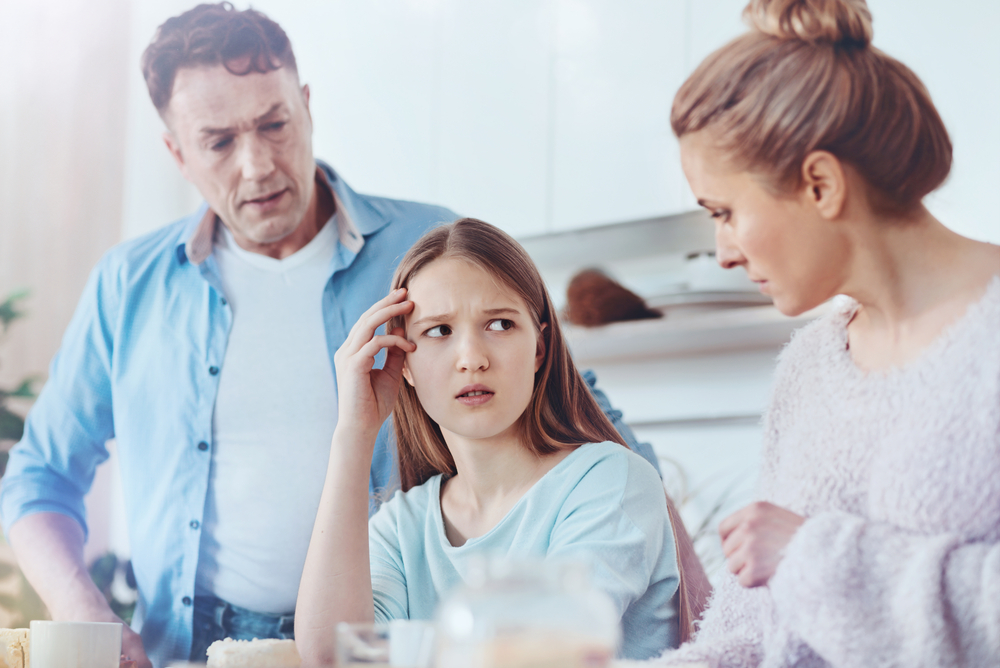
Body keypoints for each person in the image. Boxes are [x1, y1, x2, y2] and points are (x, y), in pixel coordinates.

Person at [0, 4, 659, 666]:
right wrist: (86, 615)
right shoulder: (129, 284)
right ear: (177, 153)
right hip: (191, 648)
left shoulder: (426, 248)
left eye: (274, 124)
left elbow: (581, 412)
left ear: (306, 107)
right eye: (220, 142)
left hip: (382, 639)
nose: (258, 165)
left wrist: (699, 603)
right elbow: (40, 476)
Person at [655, 0, 1000, 666]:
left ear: (820, 184)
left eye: (724, 212)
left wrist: (815, 556)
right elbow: (751, 635)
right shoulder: (809, 369)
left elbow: (796, 558)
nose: (722, 251)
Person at [294, 218, 681, 663]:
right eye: (439, 331)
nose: (472, 360)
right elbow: (329, 657)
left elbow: (537, 655)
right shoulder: (402, 526)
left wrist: (401, 652)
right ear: (404, 365)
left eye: (499, 325)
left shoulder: (612, 482)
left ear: (539, 348)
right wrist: (353, 436)